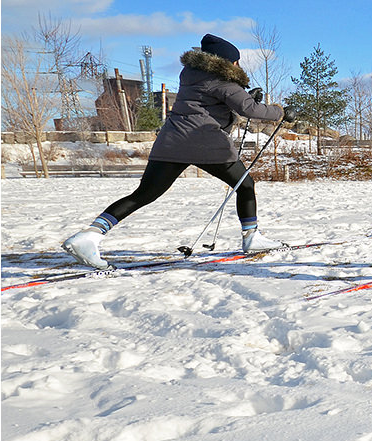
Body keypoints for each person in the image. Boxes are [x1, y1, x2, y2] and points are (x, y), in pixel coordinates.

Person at [62, 33, 296, 269]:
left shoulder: (190, 76)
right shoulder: (224, 81)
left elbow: (210, 105)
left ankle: (89, 236)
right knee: (245, 184)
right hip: (205, 144)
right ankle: (251, 237)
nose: (238, 65)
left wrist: (242, 95)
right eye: (236, 61)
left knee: (144, 194)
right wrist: (281, 112)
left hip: (171, 142)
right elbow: (249, 109)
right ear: (228, 62)